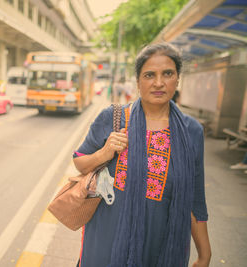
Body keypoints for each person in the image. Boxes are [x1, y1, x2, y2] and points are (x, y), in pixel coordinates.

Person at [73, 43, 211, 267]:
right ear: (137, 82)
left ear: (177, 79)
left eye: (167, 73)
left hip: (160, 246)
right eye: (149, 75)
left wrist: (205, 255)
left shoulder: (191, 132)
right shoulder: (114, 118)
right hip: (106, 242)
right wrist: (105, 153)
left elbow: (195, 199)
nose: (158, 82)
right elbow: (79, 162)